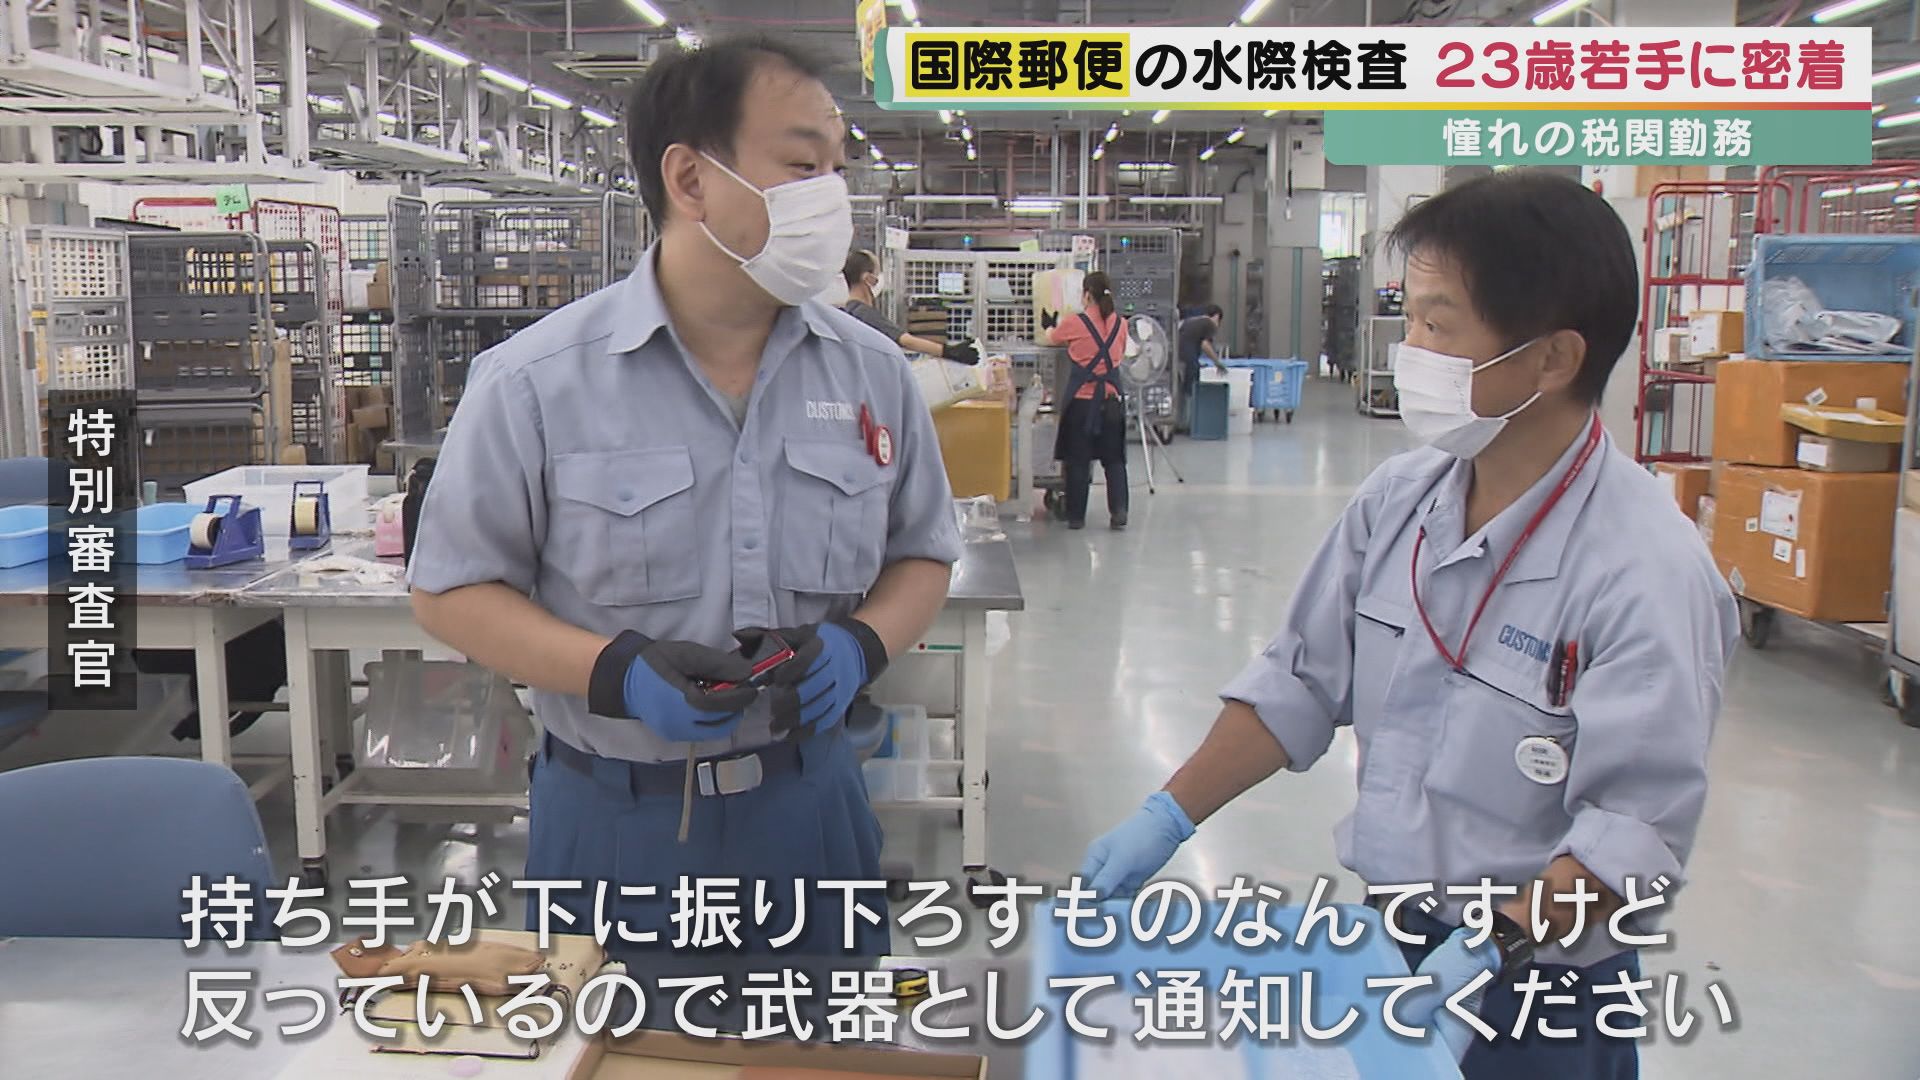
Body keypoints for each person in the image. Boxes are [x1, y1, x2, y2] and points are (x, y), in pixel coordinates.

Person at [1078, 171, 1739, 1079]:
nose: (1409, 350)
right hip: (1390, 946)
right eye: (1410, 318)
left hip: (1536, 982)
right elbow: (1300, 681)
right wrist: (1166, 815)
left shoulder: (1645, 572)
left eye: (1438, 325)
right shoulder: (1402, 501)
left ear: (1552, 358)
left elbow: (1637, 834)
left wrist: (1494, 948)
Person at [407, 36, 961, 971]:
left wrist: (861, 645)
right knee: (612, 1043)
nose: (831, 197)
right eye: (803, 166)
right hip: (615, 826)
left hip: (812, 813)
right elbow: (450, 590)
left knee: (820, 1042)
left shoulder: (874, 375)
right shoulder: (535, 383)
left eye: (837, 169)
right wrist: (614, 674)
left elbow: (924, 552)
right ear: (691, 179)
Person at [1046, 272, 1130, 531]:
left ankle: (1076, 517)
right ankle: (1119, 511)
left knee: (1078, 461)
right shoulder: (1121, 324)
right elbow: (1120, 352)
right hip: (1112, 400)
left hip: (1082, 403)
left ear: (1087, 294)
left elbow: (1052, 338)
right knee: (1114, 460)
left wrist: (1049, 325)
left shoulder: (1075, 322)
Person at [840, 250, 979, 365]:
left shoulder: (848, 312)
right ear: (868, 279)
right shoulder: (863, 313)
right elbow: (906, 340)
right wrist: (950, 352)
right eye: (878, 273)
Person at [1176, 303, 1227, 424]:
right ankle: (1189, 422)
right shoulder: (1208, 324)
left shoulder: (1190, 321)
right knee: (1191, 390)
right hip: (1189, 361)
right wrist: (1217, 363)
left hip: (1177, 359)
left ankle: (1179, 421)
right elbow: (1205, 345)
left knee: (1181, 390)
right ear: (1216, 316)